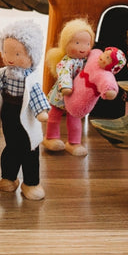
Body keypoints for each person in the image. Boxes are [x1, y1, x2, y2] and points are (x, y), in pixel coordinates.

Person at [0, 19, 50, 201]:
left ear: (32, 56)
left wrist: (41, 111)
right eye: (6, 52)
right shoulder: (3, 74)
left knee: (30, 150)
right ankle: (9, 177)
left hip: (26, 115)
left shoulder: (31, 78)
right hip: (8, 114)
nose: (10, 58)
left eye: (18, 54)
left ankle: (31, 183)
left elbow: (36, 94)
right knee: (11, 147)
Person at [44, 18, 95, 156]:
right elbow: (64, 73)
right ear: (65, 44)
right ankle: (51, 138)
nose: (82, 47)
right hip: (61, 94)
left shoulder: (86, 61)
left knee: (74, 118)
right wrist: (66, 86)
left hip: (76, 97)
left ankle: (74, 142)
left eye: (87, 43)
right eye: (77, 43)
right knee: (54, 115)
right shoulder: (66, 62)